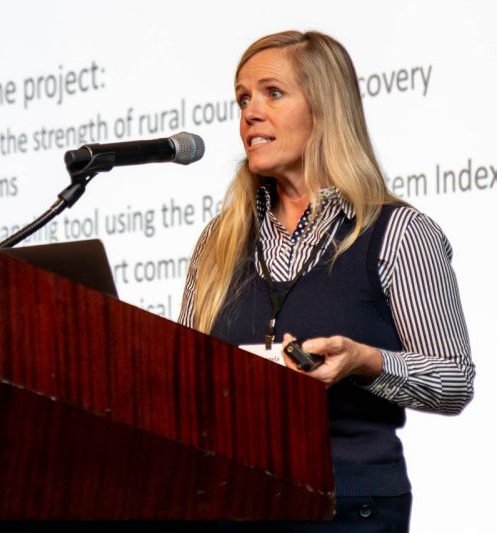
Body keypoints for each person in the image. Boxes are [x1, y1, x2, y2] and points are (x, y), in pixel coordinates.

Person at [178, 30, 474, 531]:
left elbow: (454, 381)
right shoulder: (218, 241)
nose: (249, 113)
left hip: (348, 505)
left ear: (325, 107)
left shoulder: (397, 231)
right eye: (242, 98)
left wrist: (364, 361)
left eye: (272, 93)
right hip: (234, 500)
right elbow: (185, 377)